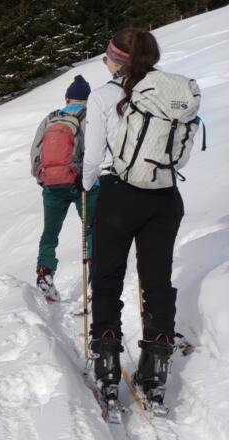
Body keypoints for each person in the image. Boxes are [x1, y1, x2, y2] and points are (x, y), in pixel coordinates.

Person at [83, 29, 202, 414]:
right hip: (165, 198)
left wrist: (87, 186)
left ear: (118, 61)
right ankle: (156, 373)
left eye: (109, 56)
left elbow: (92, 157)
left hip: (118, 195)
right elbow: (178, 159)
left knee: (106, 279)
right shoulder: (170, 93)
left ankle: (106, 368)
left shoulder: (103, 96)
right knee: (157, 283)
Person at [30, 75, 95, 302]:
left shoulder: (51, 118)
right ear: (88, 99)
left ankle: (44, 273)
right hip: (82, 184)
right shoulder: (89, 116)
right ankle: (94, 276)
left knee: (50, 234)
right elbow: (94, 150)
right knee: (91, 228)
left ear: (66, 98)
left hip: (52, 185)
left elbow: (35, 153)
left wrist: (42, 178)